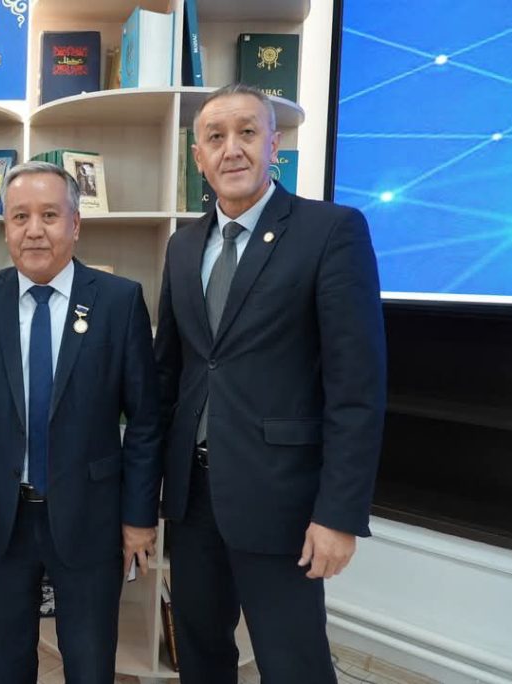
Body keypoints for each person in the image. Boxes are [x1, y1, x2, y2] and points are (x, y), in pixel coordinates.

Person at [154, 84, 386, 683]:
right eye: (215, 137)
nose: (231, 149)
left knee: (293, 664)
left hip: (283, 501)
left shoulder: (330, 230)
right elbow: (171, 375)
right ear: (198, 157)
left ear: (273, 145)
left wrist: (339, 514)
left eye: (247, 132)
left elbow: (356, 388)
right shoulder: (182, 246)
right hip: (193, 500)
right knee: (200, 658)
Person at [0, 161, 161, 684]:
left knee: (89, 661)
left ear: (75, 224)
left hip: (92, 516)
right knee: (8, 661)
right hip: (5, 517)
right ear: (5, 227)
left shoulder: (119, 301)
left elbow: (146, 421)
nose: (34, 230)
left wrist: (139, 517)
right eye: (20, 217)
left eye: (50, 215)